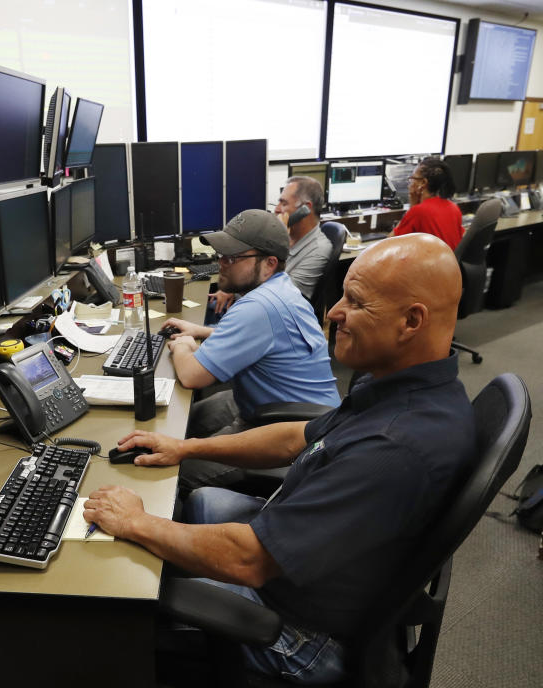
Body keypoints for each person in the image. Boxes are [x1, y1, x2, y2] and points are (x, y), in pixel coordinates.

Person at [84, 234, 475, 684]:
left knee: (119, 592)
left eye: (355, 302)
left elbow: (249, 562)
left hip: (303, 635)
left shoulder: (396, 447)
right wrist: (185, 447)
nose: (333, 313)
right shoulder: (402, 387)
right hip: (320, 567)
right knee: (202, 501)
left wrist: (135, 522)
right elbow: (297, 436)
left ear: (411, 321)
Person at [162, 210, 339, 445]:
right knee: (185, 423)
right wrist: (201, 331)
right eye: (221, 255)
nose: (221, 264)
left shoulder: (257, 307)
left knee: (181, 467)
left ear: (269, 264)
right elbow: (267, 340)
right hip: (297, 411)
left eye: (232, 257)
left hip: (297, 434)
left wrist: (182, 346)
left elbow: (192, 376)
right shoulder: (282, 289)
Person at [208, 176, 332, 314]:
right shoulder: (288, 239)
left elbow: (279, 299)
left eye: (284, 204)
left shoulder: (318, 250)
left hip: (265, 315)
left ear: (305, 209)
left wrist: (236, 287)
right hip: (244, 305)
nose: (277, 210)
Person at [392, 157, 465, 250]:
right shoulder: (453, 207)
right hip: (451, 264)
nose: (409, 184)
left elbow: (390, 244)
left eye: (412, 179)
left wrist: (412, 207)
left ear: (423, 183)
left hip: (432, 264)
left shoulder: (418, 211)